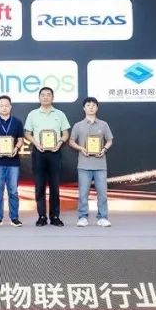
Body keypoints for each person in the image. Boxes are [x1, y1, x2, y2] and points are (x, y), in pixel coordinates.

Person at [23, 86, 71, 227]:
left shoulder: (60, 114)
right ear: (39, 98)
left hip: (55, 153)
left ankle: (55, 216)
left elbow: (65, 133)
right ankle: (42, 216)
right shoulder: (33, 114)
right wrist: (36, 143)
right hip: (39, 152)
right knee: (39, 186)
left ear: (52, 97)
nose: (45, 97)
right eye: (43, 95)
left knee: (55, 186)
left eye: (48, 94)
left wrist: (60, 142)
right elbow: (27, 133)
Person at [69, 97, 114, 227]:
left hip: (100, 165)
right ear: (84, 108)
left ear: (97, 108)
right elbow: (71, 141)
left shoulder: (103, 125)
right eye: (88, 105)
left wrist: (104, 149)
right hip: (84, 165)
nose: (91, 107)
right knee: (83, 193)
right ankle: (83, 217)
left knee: (102, 193)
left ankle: (102, 217)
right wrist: (81, 148)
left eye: (93, 105)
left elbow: (110, 140)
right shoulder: (78, 125)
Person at [0, 94, 24, 226]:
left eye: (7, 105)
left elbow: (20, 139)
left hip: (13, 162)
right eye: (2, 105)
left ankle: (14, 218)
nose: (4, 107)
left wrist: (16, 148)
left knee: (13, 191)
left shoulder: (17, 122)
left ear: (10, 107)